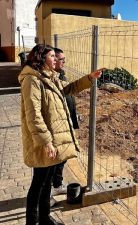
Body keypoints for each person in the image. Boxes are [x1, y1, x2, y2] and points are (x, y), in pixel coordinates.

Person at [19, 44, 103, 225]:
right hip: (45, 141)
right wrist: (46, 142)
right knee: (38, 184)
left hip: (53, 139)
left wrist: (89, 78)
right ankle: (32, 222)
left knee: (47, 181)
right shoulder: (31, 80)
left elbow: (70, 88)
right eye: (52, 56)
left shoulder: (51, 77)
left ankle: (44, 218)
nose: (56, 60)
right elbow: (33, 115)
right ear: (41, 58)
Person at [50, 48, 78, 197]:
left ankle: (57, 184)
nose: (64, 62)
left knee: (63, 157)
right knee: (54, 159)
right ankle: (48, 193)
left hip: (67, 123)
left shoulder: (62, 76)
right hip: (57, 126)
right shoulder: (50, 79)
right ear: (53, 61)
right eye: (61, 59)